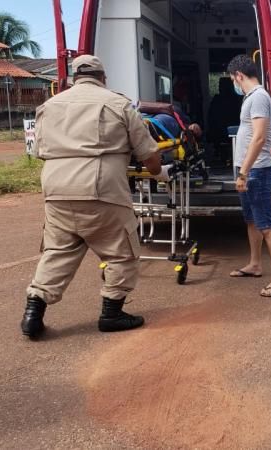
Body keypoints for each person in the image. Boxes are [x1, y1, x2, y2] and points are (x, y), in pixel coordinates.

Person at [21, 54, 171, 340]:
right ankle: (111, 314)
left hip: (56, 192)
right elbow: (149, 157)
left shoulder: (48, 106)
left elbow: (39, 151)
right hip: (102, 191)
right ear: (103, 78)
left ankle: (33, 312)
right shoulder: (117, 104)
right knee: (122, 254)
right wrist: (158, 171)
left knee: (58, 252)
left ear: (73, 79)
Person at [226, 54, 271, 297]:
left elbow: (260, 137)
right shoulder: (252, 98)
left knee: (266, 224)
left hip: (256, 171)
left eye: (234, 79)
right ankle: (254, 264)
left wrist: (243, 172)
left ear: (239, 76)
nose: (235, 83)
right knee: (251, 220)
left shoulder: (259, 98)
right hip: (248, 169)